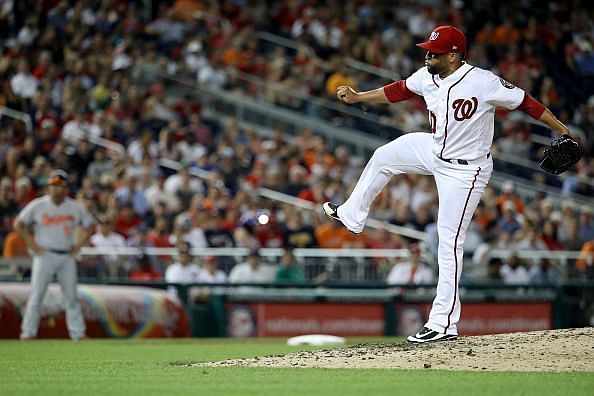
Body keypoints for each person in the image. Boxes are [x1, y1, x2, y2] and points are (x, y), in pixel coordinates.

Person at [322, 25, 576, 343]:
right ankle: (352, 215)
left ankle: (443, 323)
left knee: (448, 243)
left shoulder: (483, 82)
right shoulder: (428, 76)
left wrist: (562, 130)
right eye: (428, 50)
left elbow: (526, 102)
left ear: (454, 55)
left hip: (466, 171)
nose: (428, 55)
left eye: (434, 51)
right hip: (435, 150)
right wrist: (360, 97)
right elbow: (400, 89)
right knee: (385, 156)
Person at [14, 169, 95, 340]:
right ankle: (28, 332)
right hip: (45, 254)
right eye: (53, 186)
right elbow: (18, 224)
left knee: (72, 296)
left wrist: (78, 245)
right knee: (37, 294)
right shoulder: (38, 205)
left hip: (66, 255)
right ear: (49, 187)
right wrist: (31, 244)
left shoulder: (74, 207)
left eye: (60, 186)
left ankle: (78, 333)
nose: (56, 189)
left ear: (65, 188)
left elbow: (91, 226)